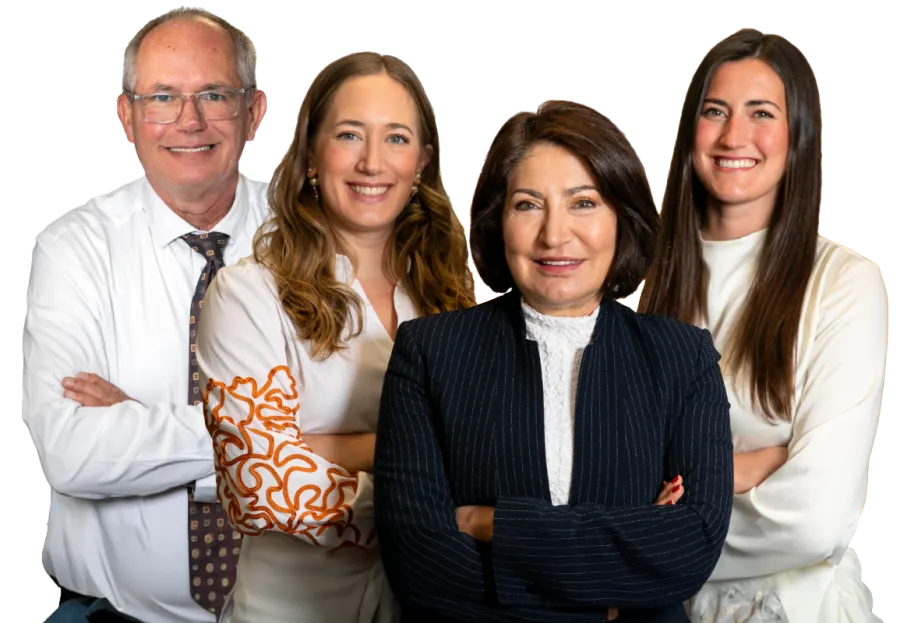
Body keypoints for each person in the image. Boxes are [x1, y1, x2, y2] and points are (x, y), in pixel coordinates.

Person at [373, 98, 735, 623]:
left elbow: (690, 547)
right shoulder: (429, 352)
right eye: (527, 204)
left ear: (621, 217)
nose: (555, 234)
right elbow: (420, 564)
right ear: (499, 222)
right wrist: (606, 597)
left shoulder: (682, 357)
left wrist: (493, 526)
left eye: (583, 202)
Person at [196, 50, 478, 623]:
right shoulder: (247, 295)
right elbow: (264, 486)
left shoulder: (454, 293)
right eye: (350, 134)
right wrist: (440, 489)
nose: (372, 163)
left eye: (396, 139)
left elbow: (497, 451)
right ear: (311, 156)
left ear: (422, 162)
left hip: (429, 605)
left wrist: (322, 447)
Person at [22, 7, 268, 622]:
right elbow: (74, 455)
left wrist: (139, 423)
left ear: (254, 112)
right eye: (162, 97)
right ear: (126, 117)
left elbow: (361, 433)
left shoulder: (313, 239)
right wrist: (265, 436)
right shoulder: (74, 249)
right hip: (108, 614)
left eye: (213, 94)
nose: (189, 121)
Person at [638, 28, 887, 623]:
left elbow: (816, 515)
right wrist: (746, 468)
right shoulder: (637, 282)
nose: (734, 137)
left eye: (762, 114)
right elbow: (592, 477)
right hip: (656, 609)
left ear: (798, 134)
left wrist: (645, 535)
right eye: (715, 111)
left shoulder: (841, 284)